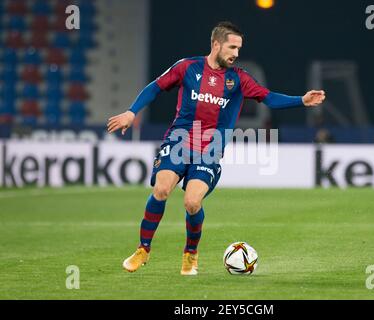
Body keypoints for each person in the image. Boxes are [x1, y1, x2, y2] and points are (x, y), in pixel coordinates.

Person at [107, 21, 326, 275]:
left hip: (209, 149)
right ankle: (143, 250)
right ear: (216, 44)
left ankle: (190, 253)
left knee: (191, 202)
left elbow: (269, 98)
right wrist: (132, 112)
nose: (236, 53)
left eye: (239, 49)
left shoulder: (239, 79)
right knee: (162, 188)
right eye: (232, 47)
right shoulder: (187, 67)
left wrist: (301, 100)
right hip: (179, 140)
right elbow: (155, 87)